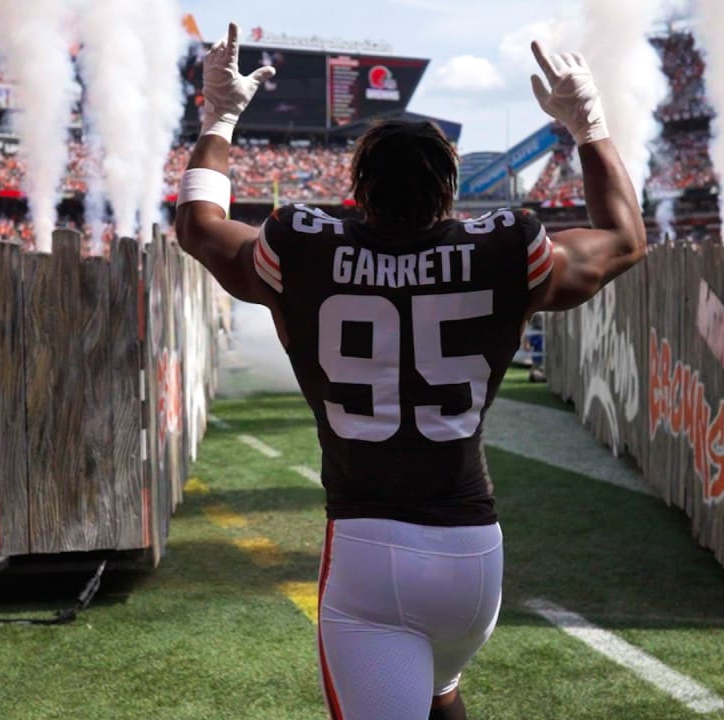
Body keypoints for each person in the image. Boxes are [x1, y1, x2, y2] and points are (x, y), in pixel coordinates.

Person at [176, 23, 645, 720]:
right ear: (451, 190)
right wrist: (590, 124)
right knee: (440, 695)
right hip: (471, 555)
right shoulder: (506, 246)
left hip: (369, 551)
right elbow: (626, 240)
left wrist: (220, 118)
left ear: (357, 189)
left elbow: (198, 226)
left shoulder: (302, 244)